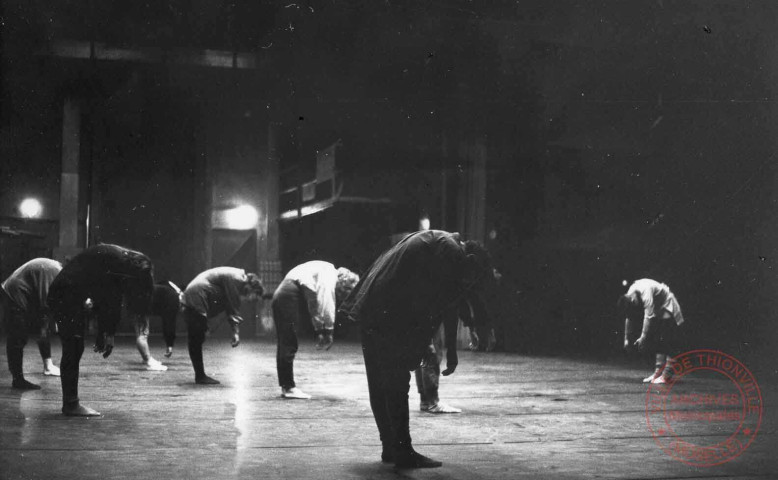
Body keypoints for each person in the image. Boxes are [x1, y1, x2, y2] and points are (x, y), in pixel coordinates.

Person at [339, 230, 493, 469]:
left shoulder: (442, 244)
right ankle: (402, 450)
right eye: (472, 278)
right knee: (397, 378)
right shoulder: (450, 252)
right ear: (471, 261)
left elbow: (448, 301)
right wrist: (419, 345)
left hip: (371, 304)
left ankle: (390, 446)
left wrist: (451, 350)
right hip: (387, 309)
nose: (469, 284)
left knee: (379, 380)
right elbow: (435, 305)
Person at [47, 244, 154, 416]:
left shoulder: (120, 259)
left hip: (68, 294)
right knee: (73, 348)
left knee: (74, 347)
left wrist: (107, 334)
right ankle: (71, 405)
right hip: (65, 295)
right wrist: (106, 334)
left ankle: (71, 403)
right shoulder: (118, 264)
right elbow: (109, 300)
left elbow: (111, 299)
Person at [271, 261, 359, 399]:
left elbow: (314, 304)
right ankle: (288, 388)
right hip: (287, 295)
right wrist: (328, 331)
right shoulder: (329, 274)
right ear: (344, 284)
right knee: (288, 342)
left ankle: (286, 386)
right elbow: (326, 302)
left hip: (284, 293)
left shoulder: (322, 271)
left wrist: (320, 330)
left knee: (286, 341)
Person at [181, 267, 264, 385]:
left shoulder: (236, 277)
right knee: (196, 338)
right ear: (251, 288)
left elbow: (231, 306)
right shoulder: (237, 279)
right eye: (252, 297)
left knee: (197, 337)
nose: (249, 301)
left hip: (196, 295)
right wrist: (235, 333)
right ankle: (200, 376)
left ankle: (200, 375)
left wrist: (235, 332)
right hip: (197, 295)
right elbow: (233, 306)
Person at [1, 258, 63, 390]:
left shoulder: (57, 271)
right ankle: (18, 380)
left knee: (42, 326)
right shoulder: (55, 274)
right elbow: (45, 301)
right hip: (15, 292)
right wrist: (49, 323)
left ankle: (48, 366)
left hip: (22, 290)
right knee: (18, 336)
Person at [619, 278, 685, 384]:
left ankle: (666, 375)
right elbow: (629, 317)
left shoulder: (646, 293)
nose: (637, 305)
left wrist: (643, 338)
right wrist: (626, 339)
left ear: (632, 299)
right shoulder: (630, 294)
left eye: (635, 303)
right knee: (658, 339)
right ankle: (658, 373)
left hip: (668, 304)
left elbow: (647, 317)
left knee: (667, 338)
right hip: (659, 308)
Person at [151, 281, 183, 359]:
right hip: (169, 297)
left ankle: (169, 345)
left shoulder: (171, 290)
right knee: (169, 322)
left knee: (169, 322)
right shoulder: (174, 294)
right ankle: (169, 345)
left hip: (167, 296)